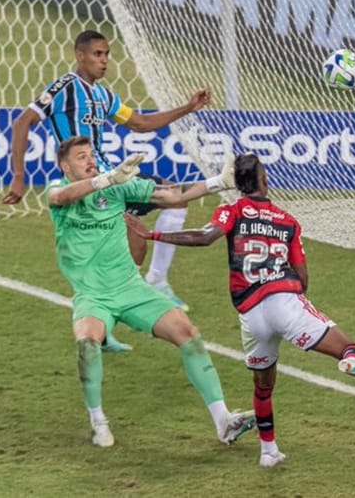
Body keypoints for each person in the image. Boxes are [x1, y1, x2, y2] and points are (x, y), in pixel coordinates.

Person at [124, 153, 355, 468]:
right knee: (348, 346)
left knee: (263, 387)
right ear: (264, 180)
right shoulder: (287, 221)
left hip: (251, 315)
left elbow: (205, 237)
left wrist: (153, 234)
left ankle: (268, 451)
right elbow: (302, 279)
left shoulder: (231, 211)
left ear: (237, 184)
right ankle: (351, 362)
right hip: (283, 300)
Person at [48, 135, 255, 448]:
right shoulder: (57, 189)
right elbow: (62, 197)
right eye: (81, 157)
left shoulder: (119, 188)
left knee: (189, 334)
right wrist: (105, 178)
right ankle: (98, 420)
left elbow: (171, 195)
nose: (90, 160)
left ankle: (224, 420)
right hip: (92, 295)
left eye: (91, 154)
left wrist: (219, 182)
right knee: (88, 344)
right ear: (65, 166)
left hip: (131, 289)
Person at [2, 29, 201, 322]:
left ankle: (137, 293)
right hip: (89, 187)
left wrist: (188, 107)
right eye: (97, 54)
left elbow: (141, 123)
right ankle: (124, 301)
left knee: (164, 210)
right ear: (80, 56)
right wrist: (19, 175)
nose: (104, 60)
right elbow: (23, 122)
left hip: (113, 178)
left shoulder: (103, 95)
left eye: (107, 54)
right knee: (141, 235)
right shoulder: (65, 87)